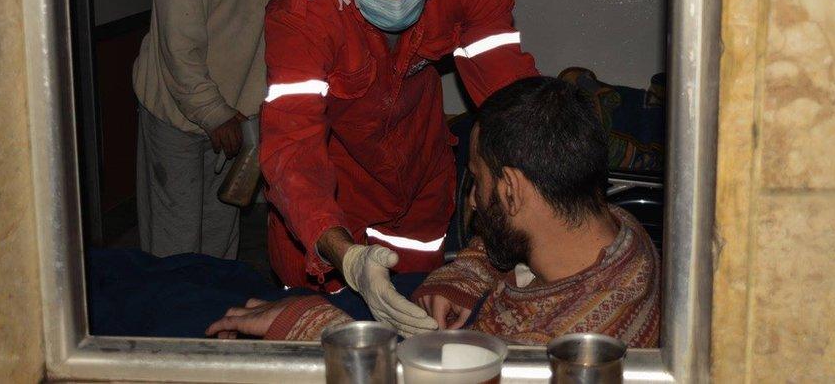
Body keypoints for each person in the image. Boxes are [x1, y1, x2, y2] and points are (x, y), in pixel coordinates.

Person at [260, 0, 539, 334]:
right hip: (326, 210)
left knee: (428, 324)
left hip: (420, 189)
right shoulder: (303, 16)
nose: (396, 3)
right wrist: (347, 259)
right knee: (321, 340)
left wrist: (536, 214)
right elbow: (292, 150)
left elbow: (511, 99)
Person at [207, 77, 661, 346]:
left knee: (193, 309)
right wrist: (457, 282)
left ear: (510, 189)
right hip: (448, 321)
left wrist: (317, 329)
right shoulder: (614, 230)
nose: (472, 201)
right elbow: (505, 246)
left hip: (382, 353)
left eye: (478, 181)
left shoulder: (562, 348)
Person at [132, 0, 327, 259]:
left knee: (221, 249)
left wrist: (262, 114)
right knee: (176, 251)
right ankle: (171, 325)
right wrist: (216, 113)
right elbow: (177, 48)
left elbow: (291, 35)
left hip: (238, 124)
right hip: (178, 119)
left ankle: (214, 323)